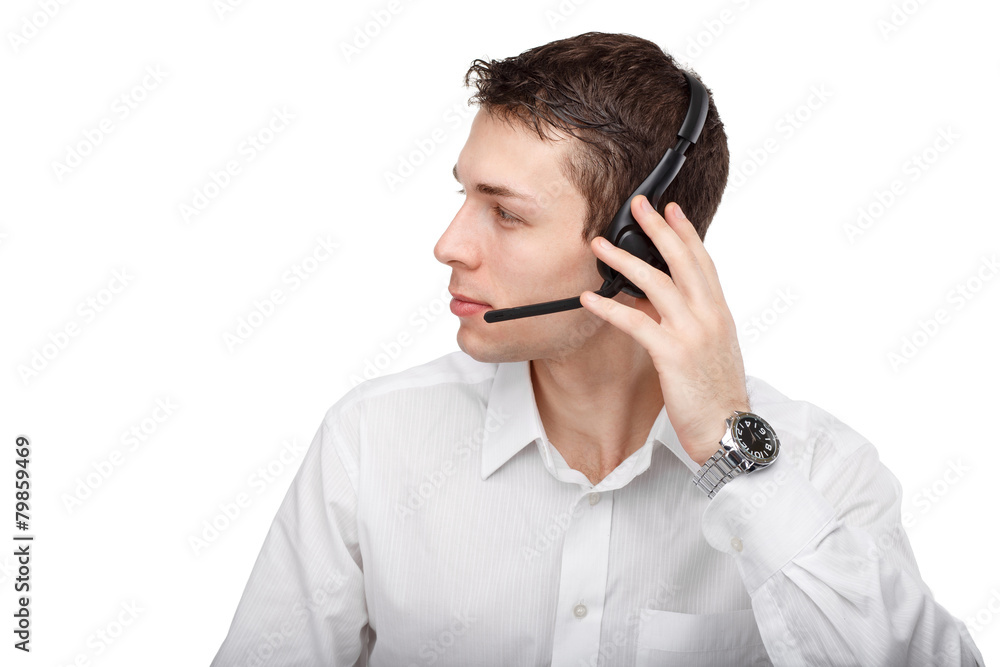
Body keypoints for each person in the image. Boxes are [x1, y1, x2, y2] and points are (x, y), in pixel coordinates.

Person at [210, 32, 984, 666]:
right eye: (464, 196)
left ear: (635, 246)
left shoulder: (821, 472)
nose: (449, 245)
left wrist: (736, 453)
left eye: (506, 214)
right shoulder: (371, 441)